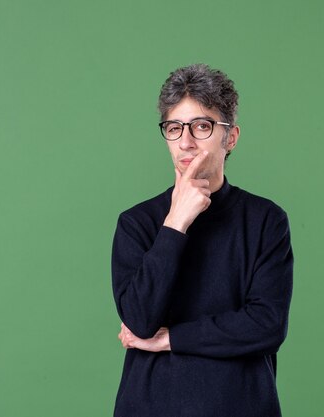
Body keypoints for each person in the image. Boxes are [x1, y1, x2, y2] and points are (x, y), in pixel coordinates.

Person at [111, 63, 293, 417]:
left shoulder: (266, 220)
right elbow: (139, 321)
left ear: (231, 137)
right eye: (174, 127)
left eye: (202, 126)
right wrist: (176, 223)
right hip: (151, 406)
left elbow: (266, 325)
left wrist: (172, 339)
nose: (186, 141)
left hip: (240, 406)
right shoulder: (137, 223)